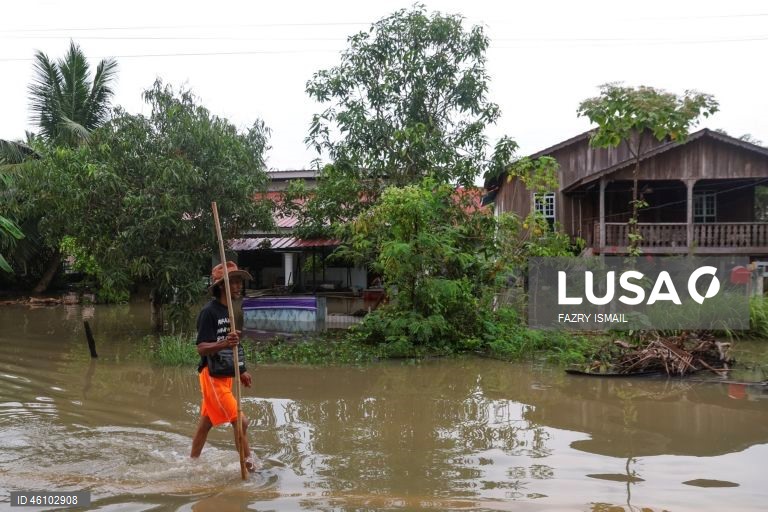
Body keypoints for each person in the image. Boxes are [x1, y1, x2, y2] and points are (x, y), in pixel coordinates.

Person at [190, 261, 257, 472]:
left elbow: (234, 343)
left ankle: (192, 462)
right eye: (233, 282)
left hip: (226, 373)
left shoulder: (231, 310)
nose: (238, 286)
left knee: (206, 423)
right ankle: (251, 469)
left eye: (239, 282)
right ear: (221, 286)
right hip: (211, 375)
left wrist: (242, 368)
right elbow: (201, 348)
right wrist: (223, 343)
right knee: (241, 422)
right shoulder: (209, 312)